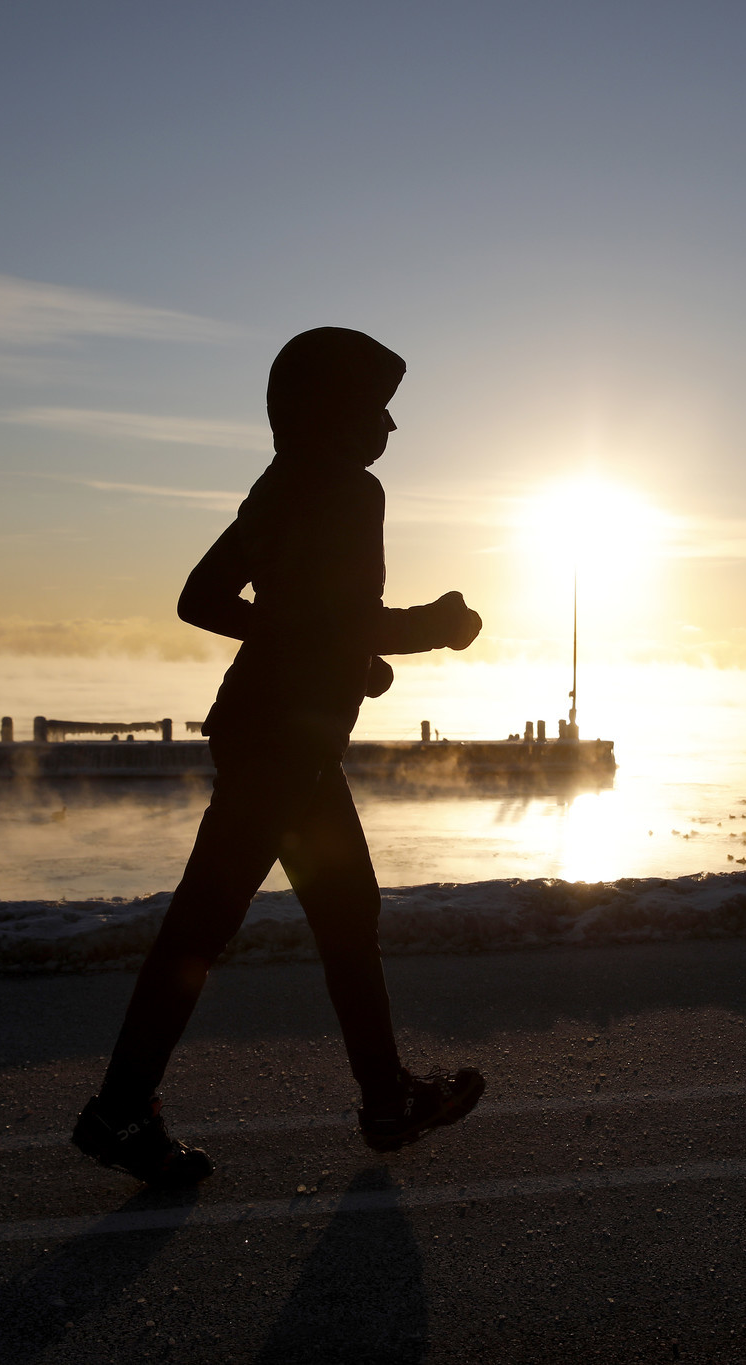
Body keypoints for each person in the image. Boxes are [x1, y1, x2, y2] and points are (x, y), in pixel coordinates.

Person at [73, 327, 487, 1187]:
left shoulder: (281, 483)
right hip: (281, 745)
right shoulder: (349, 489)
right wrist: (431, 628)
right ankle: (124, 1111)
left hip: (269, 733)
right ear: (334, 414)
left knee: (335, 914)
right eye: (378, 409)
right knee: (214, 926)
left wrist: (333, 656)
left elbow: (214, 600)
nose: (390, 428)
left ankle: (382, 1100)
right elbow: (335, 614)